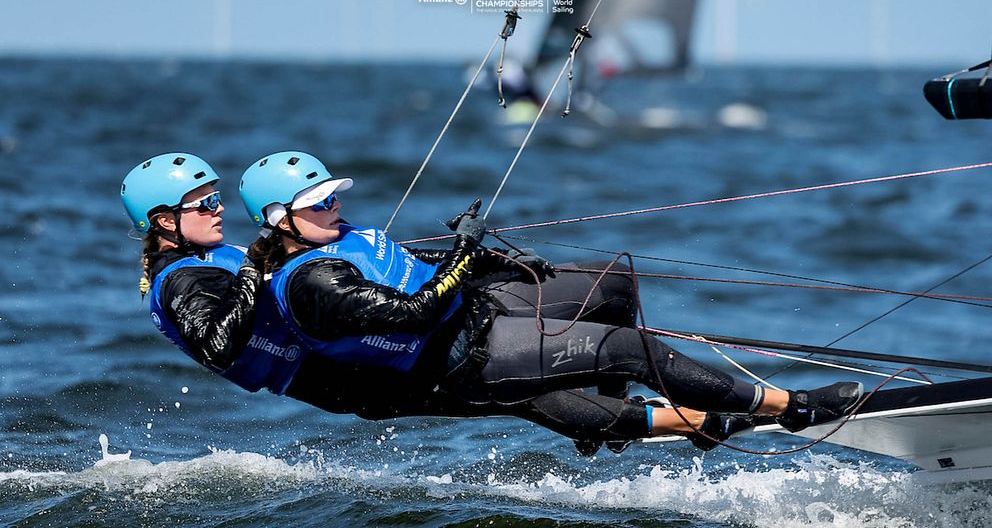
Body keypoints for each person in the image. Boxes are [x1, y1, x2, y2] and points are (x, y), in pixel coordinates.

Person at [237, 150, 865, 454]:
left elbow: (412, 271)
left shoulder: (340, 238)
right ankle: (795, 407)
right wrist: (462, 257)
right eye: (320, 203)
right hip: (459, 355)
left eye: (335, 195)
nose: (335, 207)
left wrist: (487, 260)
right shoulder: (312, 283)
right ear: (280, 219)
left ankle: (609, 414)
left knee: (612, 286)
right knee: (630, 349)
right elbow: (416, 313)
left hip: (476, 309)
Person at [121, 153, 303, 395]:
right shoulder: (182, 281)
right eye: (206, 203)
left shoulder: (202, 259)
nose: (220, 208)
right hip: (325, 374)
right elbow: (217, 347)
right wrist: (250, 273)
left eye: (216, 198)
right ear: (166, 221)